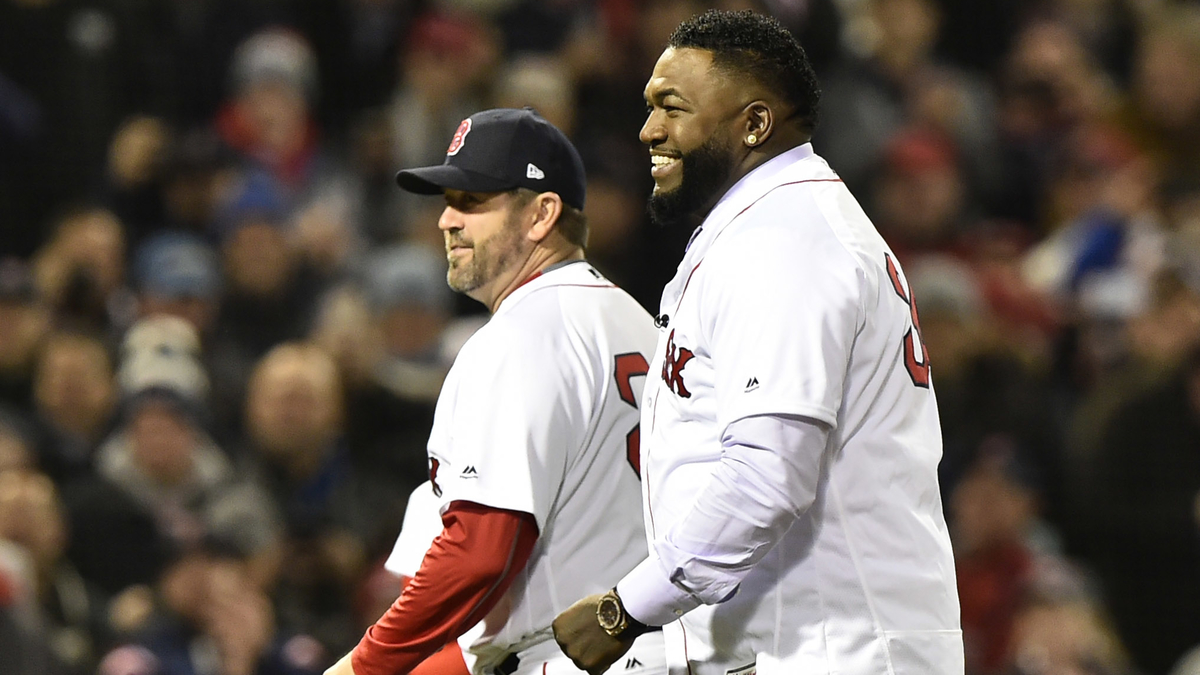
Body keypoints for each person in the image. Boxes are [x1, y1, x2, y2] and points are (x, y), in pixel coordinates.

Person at [552, 10, 963, 675]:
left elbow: (766, 476)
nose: (648, 130)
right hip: (803, 642)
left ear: (754, 123)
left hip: (835, 650)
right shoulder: (775, 225)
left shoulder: (785, 242)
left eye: (672, 107)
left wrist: (625, 610)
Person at [323, 107, 664, 675]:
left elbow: (481, 553)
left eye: (473, 202)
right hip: (661, 644)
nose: (447, 221)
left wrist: (367, 666)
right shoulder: (638, 324)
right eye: (447, 201)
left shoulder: (520, 336)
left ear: (542, 214)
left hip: (576, 658)